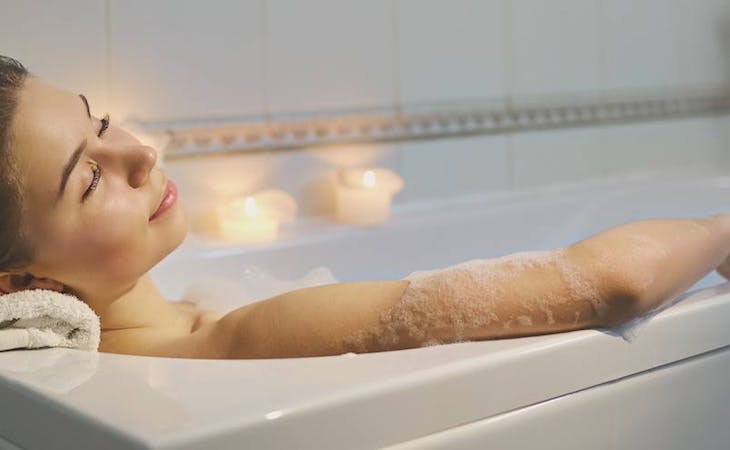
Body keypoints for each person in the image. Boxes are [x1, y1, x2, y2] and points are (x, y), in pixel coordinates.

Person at [1, 54, 729, 360]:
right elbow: (610, 284)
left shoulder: (197, 318)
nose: (139, 154)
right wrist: (720, 229)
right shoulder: (239, 338)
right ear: (26, 286)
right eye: (89, 178)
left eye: (100, 123)